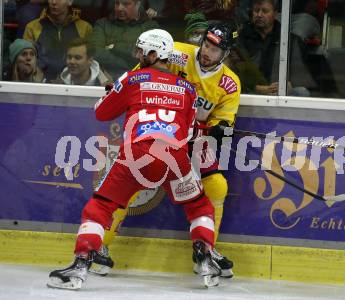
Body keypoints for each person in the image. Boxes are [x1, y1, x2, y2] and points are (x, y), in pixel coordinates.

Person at [47, 29, 221, 290]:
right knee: (199, 206)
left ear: (155, 54)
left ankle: (80, 265)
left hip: (136, 156)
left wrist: (113, 94)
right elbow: (190, 131)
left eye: (142, 51)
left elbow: (102, 113)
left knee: (100, 206)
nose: (138, 55)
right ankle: (205, 256)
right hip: (175, 158)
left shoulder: (133, 78)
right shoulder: (187, 88)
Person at [91, 21, 241, 279]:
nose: (206, 52)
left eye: (215, 50)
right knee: (125, 183)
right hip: (160, 128)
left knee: (217, 186)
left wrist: (220, 128)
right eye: (206, 45)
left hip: (195, 136)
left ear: (226, 54)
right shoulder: (178, 53)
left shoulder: (230, 83)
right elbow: (142, 74)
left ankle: (205, 250)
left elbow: (224, 119)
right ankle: (100, 244)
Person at [87, 0, 159, 79]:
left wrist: (115, 47)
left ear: (137, 5)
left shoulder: (150, 27)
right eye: (117, 3)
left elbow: (149, 56)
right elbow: (94, 51)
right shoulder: (103, 24)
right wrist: (122, 63)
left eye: (126, 4)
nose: (119, 8)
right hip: (106, 78)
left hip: (140, 78)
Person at [23, 0, 92, 81]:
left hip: (74, 84)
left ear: (70, 2)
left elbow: (92, 60)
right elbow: (25, 60)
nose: (54, 2)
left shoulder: (85, 28)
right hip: (41, 84)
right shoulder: (33, 27)